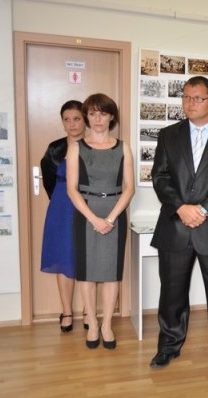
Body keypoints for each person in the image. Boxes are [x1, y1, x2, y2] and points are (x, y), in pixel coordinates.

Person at [149, 76, 208, 372]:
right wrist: (181, 208)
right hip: (175, 226)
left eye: (197, 98)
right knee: (171, 292)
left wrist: (203, 209)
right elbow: (160, 177)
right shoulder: (169, 135)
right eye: (186, 97)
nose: (190, 103)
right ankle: (168, 345)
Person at [66, 93, 134, 349]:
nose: (97, 119)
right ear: (87, 116)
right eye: (92, 113)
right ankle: (92, 324)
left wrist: (110, 218)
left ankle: (106, 324)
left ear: (111, 117)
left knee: (111, 272)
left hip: (115, 212)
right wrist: (94, 219)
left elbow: (129, 188)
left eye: (103, 114)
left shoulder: (123, 147)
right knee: (86, 273)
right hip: (86, 214)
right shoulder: (76, 147)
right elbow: (72, 189)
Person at [40, 100, 85, 332]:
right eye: (66, 120)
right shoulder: (54, 148)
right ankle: (67, 311)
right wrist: (61, 199)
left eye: (76, 118)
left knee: (88, 259)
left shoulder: (94, 145)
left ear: (85, 119)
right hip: (61, 207)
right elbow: (49, 181)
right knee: (63, 257)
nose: (72, 124)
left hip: (88, 205)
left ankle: (88, 311)